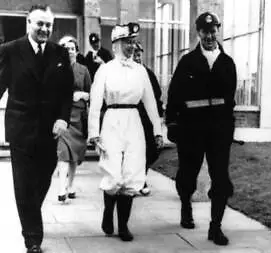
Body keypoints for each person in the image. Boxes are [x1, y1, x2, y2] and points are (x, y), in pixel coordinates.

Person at [0, 4, 74, 253]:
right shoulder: (10, 51)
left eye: (49, 25)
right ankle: (32, 239)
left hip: (49, 129)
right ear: (28, 23)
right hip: (21, 128)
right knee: (23, 183)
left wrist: (63, 118)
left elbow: (66, 92)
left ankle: (31, 214)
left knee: (43, 177)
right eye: (40, 24)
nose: (44, 29)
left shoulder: (59, 53)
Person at [166, 12, 237, 246]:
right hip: (191, 129)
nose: (209, 35)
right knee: (188, 173)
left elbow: (230, 101)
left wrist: (228, 129)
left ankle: (215, 227)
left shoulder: (227, 64)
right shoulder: (187, 62)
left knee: (221, 179)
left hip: (218, 131)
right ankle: (186, 205)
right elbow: (174, 95)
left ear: (218, 31)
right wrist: (172, 123)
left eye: (213, 30)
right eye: (205, 31)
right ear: (198, 33)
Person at [88, 22, 163, 242]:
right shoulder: (105, 69)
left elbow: (150, 103)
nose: (131, 47)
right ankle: (107, 213)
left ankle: (123, 226)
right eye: (127, 42)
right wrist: (94, 133)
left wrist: (157, 131)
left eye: (133, 42)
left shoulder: (140, 71)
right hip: (112, 120)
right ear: (116, 44)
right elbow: (94, 104)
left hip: (134, 122)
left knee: (132, 171)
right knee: (113, 171)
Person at [56, 35, 92, 202]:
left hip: (79, 118)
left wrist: (83, 95)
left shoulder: (83, 70)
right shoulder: (56, 68)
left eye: (72, 48)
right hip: (62, 117)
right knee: (63, 153)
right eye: (66, 48)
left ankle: (70, 186)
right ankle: (61, 188)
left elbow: (91, 93)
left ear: (76, 51)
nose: (69, 51)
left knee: (74, 155)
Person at [132, 41, 164, 196]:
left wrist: (158, 117)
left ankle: (141, 175)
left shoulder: (148, 73)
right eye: (134, 54)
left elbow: (157, 97)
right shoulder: (127, 73)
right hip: (131, 118)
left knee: (151, 151)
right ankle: (138, 181)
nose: (137, 57)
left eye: (139, 54)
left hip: (147, 119)